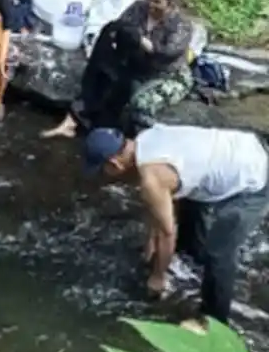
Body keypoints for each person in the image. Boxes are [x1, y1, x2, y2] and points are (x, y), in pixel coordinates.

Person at [83, 125, 269, 332]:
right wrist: (150, 242)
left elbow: (166, 232)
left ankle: (214, 324)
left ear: (115, 163)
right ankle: (192, 256)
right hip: (246, 148)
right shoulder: (147, 139)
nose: (103, 175)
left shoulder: (151, 178)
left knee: (219, 252)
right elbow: (165, 201)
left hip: (255, 181)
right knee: (189, 206)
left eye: (102, 170)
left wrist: (157, 277)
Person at [43, 0, 194, 138]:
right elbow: (121, 27)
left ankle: (143, 145)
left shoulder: (181, 25)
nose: (150, 5)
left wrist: (140, 39)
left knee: (140, 104)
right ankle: (71, 123)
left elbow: (164, 54)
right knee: (100, 73)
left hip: (165, 74)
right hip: (137, 64)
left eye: (157, 2)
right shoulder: (138, 8)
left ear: (170, 3)